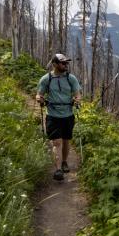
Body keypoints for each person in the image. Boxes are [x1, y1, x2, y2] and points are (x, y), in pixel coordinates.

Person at [36, 53, 82, 181]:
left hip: (68, 114)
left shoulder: (71, 78)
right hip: (53, 115)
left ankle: (64, 162)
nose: (66, 65)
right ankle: (58, 170)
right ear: (55, 64)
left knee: (66, 140)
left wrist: (77, 100)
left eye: (66, 63)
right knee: (56, 142)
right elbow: (39, 94)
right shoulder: (46, 79)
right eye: (63, 63)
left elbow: (78, 94)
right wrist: (39, 98)